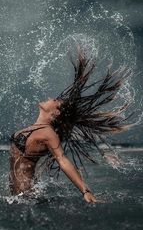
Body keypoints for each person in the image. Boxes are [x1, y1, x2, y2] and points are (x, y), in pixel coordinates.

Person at [10, 47, 134, 203]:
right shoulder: (34, 128)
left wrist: (85, 191)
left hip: (26, 198)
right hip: (18, 197)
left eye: (54, 101)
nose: (49, 98)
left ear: (56, 113)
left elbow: (62, 160)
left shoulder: (48, 133)